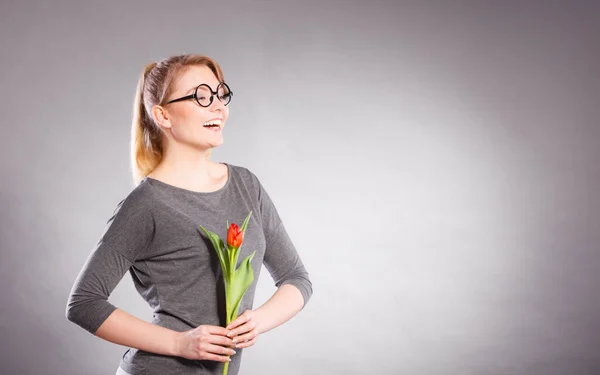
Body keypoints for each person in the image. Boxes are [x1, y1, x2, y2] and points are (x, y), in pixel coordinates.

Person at [66, 54, 313, 375]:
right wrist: (179, 343)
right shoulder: (147, 203)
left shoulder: (246, 185)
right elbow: (84, 304)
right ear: (163, 115)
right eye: (201, 97)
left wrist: (258, 321)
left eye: (221, 94)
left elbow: (297, 278)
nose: (219, 108)